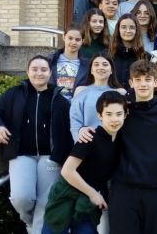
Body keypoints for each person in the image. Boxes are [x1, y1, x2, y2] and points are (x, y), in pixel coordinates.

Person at [107, 60, 157, 234]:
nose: (143, 84)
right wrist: (83, 128)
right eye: (138, 79)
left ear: (155, 82)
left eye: (148, 79)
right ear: (131, 82)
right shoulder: (121, 111)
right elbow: (100, 121)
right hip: (125, 189)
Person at [0, 55, 73, 234]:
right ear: (27, 71)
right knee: (21, 198)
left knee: (45, 203)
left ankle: (36, 231)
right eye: (35, 69)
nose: (39, 73)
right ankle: (28, 221)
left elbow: (69, 130)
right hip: (21, 154)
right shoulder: (14, 94)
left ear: (50, 73)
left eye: (43, 70)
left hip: (50, 158)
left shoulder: (60, 100)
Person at [41, 91, 127, 234]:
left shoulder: (120, 140)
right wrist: (94, 194)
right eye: (109, 114)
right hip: (66, 194)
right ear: (100, 116)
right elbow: (67, 171)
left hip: (87, 203)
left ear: (125, 115)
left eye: (118, 114)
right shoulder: (89, 137)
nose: (114, 119)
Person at [70, 53, 126, 142]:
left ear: (111, 70)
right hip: (88, 143)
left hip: (114, 145)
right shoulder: (81, 91)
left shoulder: (120, 92)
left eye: (105, 64)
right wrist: (79, 138)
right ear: (91, 70)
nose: (100, 67)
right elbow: (75, 121)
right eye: (96, 64)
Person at [49, 24, 89, 100]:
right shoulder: (51, 60)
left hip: (75, 107)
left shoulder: (87, 65)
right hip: (54, 106)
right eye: (70, 38)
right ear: (64, 37)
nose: (73, 42)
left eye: (77, 40)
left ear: (82, 41)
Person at [109, 13, 149, 88]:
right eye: (124, 27)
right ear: (118, 30)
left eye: (132, 27)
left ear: (136, 30)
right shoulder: (108, 55)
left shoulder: (145, 56)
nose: (128, 31)